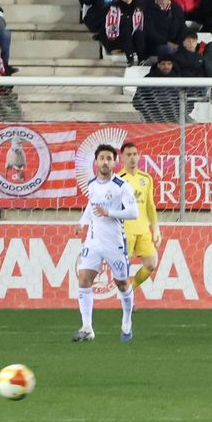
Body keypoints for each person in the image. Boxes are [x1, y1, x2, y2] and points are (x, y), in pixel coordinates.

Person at [71, 143, 139, 342]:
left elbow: (133, 213)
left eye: (109, 158)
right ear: (96, 161)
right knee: (84, 279)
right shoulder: (92, 184)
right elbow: (90, 207)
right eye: (102, 158)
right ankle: (87, 328)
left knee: (122, 283)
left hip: (114, 243)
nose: (105, 162)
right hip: (93, 241)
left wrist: (110, 212)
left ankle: (127, 321)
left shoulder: (121, 186)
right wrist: (82, 223)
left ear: (115, 162)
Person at [116, 142, 161, 298]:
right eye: (128, 155)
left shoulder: (146, 178)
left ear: (139, 156)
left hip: (143, 230)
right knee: (124, 270)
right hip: (124, 231)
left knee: (151, 264)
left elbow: (150, 205)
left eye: (135, 154)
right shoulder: (117, 180)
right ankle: (127, 303)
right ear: (122, 157)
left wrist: (155, 228)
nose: (132, 158)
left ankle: (130, 291)